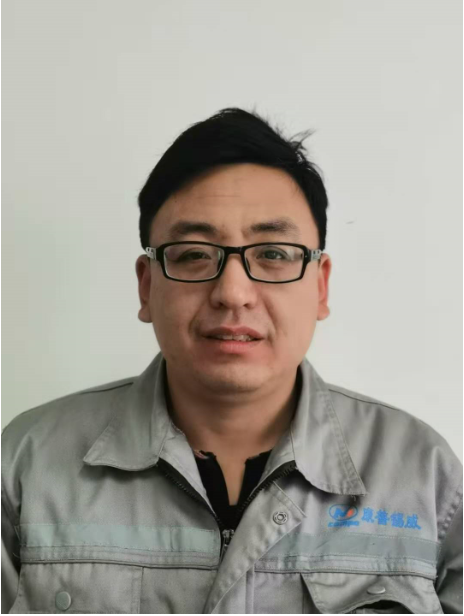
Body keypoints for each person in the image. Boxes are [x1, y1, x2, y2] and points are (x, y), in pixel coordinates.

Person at [2, 107, 462, 614]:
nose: (233, 293)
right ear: (147, 285)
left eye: (274, 254)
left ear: (321, 285)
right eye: (194, 254)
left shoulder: (423, 474)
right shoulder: (27, 466)